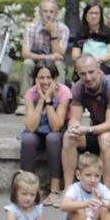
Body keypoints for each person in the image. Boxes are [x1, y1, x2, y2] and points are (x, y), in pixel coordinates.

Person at [61, 54, 110, 191]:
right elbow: (75, 118)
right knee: (68, 136)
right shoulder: (78, 88)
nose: (88, 78)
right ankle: (69, 190)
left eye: (91, 72)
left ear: (98, 69)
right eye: (83, 74)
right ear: (78, 73)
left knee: (105, 138)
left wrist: (86, 130)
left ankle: (106, 190)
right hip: (97, 131)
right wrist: (74, 127)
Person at [20, 58, 71, 196]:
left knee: (53, 138)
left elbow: (56, 126)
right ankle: (27, 186)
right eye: (41, 77)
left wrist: (48, 101)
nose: (45, 82)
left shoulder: (63, 92)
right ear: (35, 79)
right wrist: (41, 99)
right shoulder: (31, 94)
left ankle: (55, 187)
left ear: (55, 79)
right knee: (27, 139)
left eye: (49, 77)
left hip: (57, 133)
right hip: (37, 131)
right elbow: (30, 127)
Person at [21, 0, 70, 87]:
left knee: (58, 64)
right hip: (35, 61)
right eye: (45, 11)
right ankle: (24, 99)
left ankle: (58, 97)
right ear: (40, 13)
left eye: (51, 12)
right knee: (27, 63)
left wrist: (53, 34)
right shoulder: (31, 27)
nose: (48, 15)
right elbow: (25, 54)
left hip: (54, 63)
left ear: (56, 14)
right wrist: (48, 57)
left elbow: (59, 55)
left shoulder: (63, 29)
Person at [69, 2, 110, 80]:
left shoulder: (108, 32)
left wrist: (95, 60)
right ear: (86, 15)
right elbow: (74, 55)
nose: (94, 16)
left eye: (96, 13)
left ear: (100, 16)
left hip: (104, 66)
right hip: (85, 65)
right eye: (91, 13)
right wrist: (86, 61)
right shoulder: (80, 33)